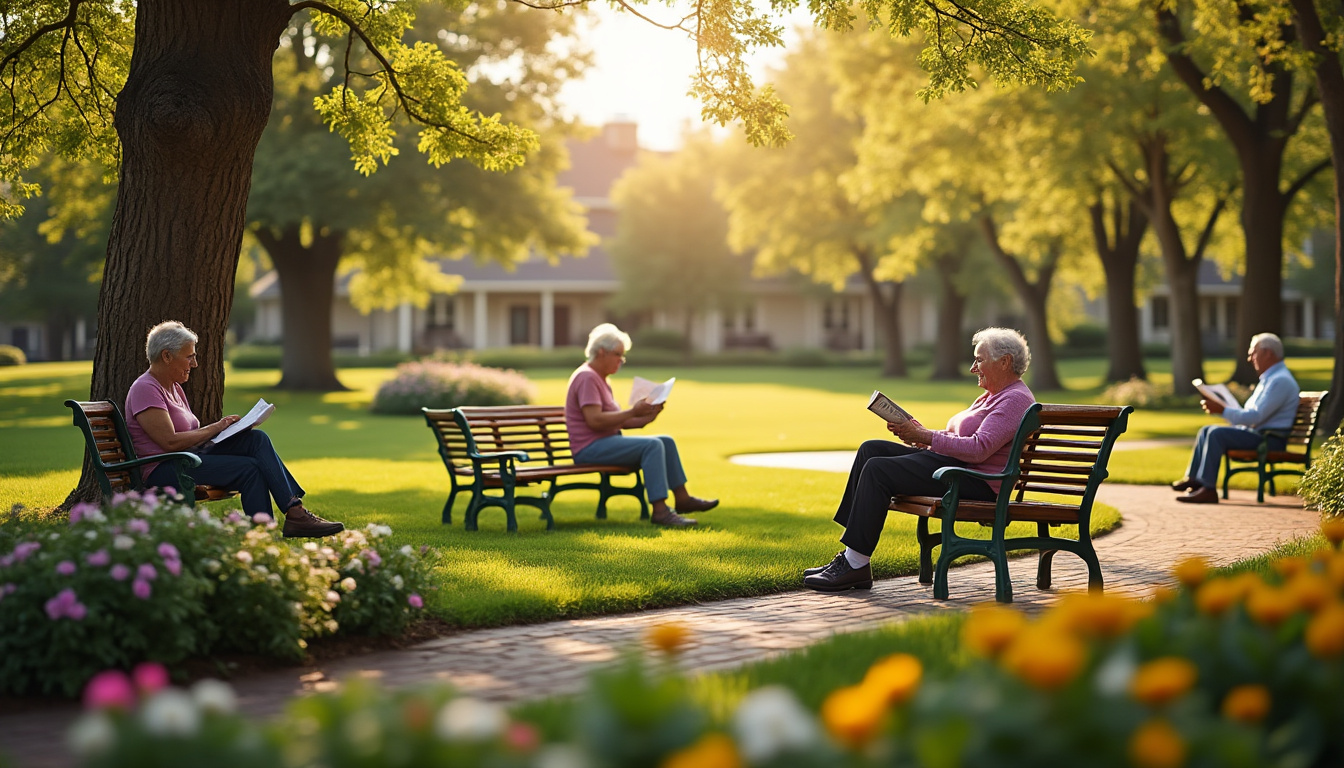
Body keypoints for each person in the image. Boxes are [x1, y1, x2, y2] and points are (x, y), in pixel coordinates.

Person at [804, 327, 1037, 593]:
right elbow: (960, 439)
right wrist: (920, 435)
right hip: (956, 468)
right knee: (870, 450)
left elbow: (978, 449)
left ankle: (855, 564)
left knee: (878, 470)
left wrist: (926, 436)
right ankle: (850, 556)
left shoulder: (1015, 400)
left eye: (979, 360)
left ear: (1004, 362)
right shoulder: (992, 396)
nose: (973, 368)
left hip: (974, 481)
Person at [126, 321, 345, 538]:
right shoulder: (145, 389)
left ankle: (294, 511)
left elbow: (185, 437)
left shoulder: (174, 388)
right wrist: (217, 427)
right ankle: (264, 535)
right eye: (189, 357)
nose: (194, 364)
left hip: (189, 458)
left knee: (256, 439)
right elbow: (169, 442)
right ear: (166, 356)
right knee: (250, 469)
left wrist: (229, 431)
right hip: (165, 468)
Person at [565, 323, 718, 528]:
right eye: (618, 354)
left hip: (606, 443)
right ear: (601, 352)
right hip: (589, 449)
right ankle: (660, 511)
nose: (621, 360)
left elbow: (619, 421)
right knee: (652, 446)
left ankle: (682, 499)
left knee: (665, 441)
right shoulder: (587, 377)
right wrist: (632, 411)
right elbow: (595, 420)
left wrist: (648, 416)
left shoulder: (601, 379)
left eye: (623, 356)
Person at [1171, 333, 1301, 504]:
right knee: (1206, 430)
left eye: (1253, 353)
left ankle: (1208, 489)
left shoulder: (1280, 381)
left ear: (1268, 353)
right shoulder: (1271, 379)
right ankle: (1195, 481)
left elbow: (1255, 417)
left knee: (1216, 434)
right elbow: (1253, 415)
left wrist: (1223, 410)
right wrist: (1224, 409)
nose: (1250, 358)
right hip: (1259, 435)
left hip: (1269, 439)